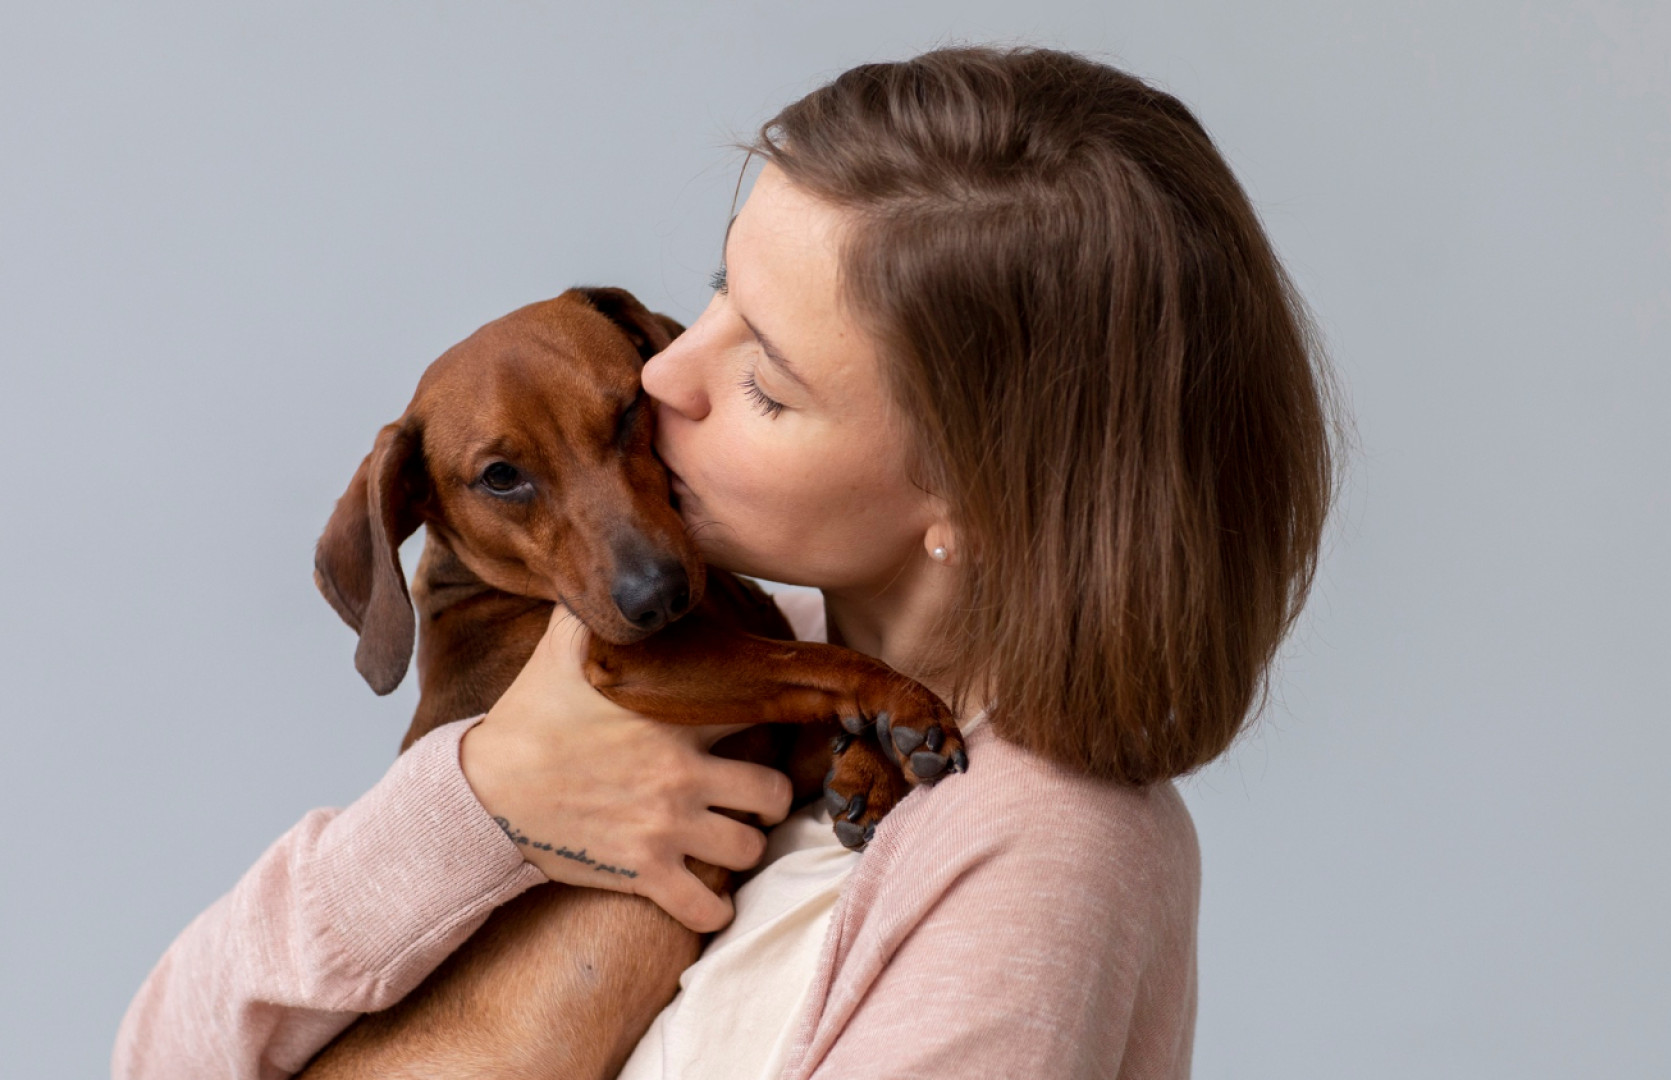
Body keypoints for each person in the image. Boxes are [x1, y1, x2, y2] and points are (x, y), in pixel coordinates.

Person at [113, 44, 1337, 1079]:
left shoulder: (1040, 850)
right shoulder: (653, 688)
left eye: (765, 379)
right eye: (715, 295)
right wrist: (476, 808)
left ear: (969, 489)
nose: (659, 374)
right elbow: (154, 1053)